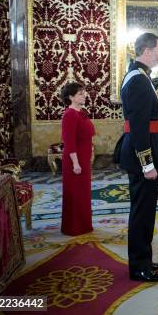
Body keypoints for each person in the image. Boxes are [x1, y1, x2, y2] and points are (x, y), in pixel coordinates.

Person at [120, 32, 158, 282]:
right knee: (142, 212)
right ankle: (139, 266)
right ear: (147, 51)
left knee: (145, 210)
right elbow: (139, 127)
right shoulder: (138, 79)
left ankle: (144, 259)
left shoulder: (140, 76)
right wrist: (147, 163)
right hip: (142, 156)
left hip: (143, 151)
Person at [60, 82, 95, 236]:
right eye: (80, 93)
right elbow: (69, 142)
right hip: (75, 161)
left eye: (84, 92)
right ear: (70, 97)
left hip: (84, 158)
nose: (84, 95)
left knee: (83, 193)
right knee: (75, 193)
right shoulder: (69, 115)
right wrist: (75, 163)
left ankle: (84, 225)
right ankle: (74, 227)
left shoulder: (82, 112)